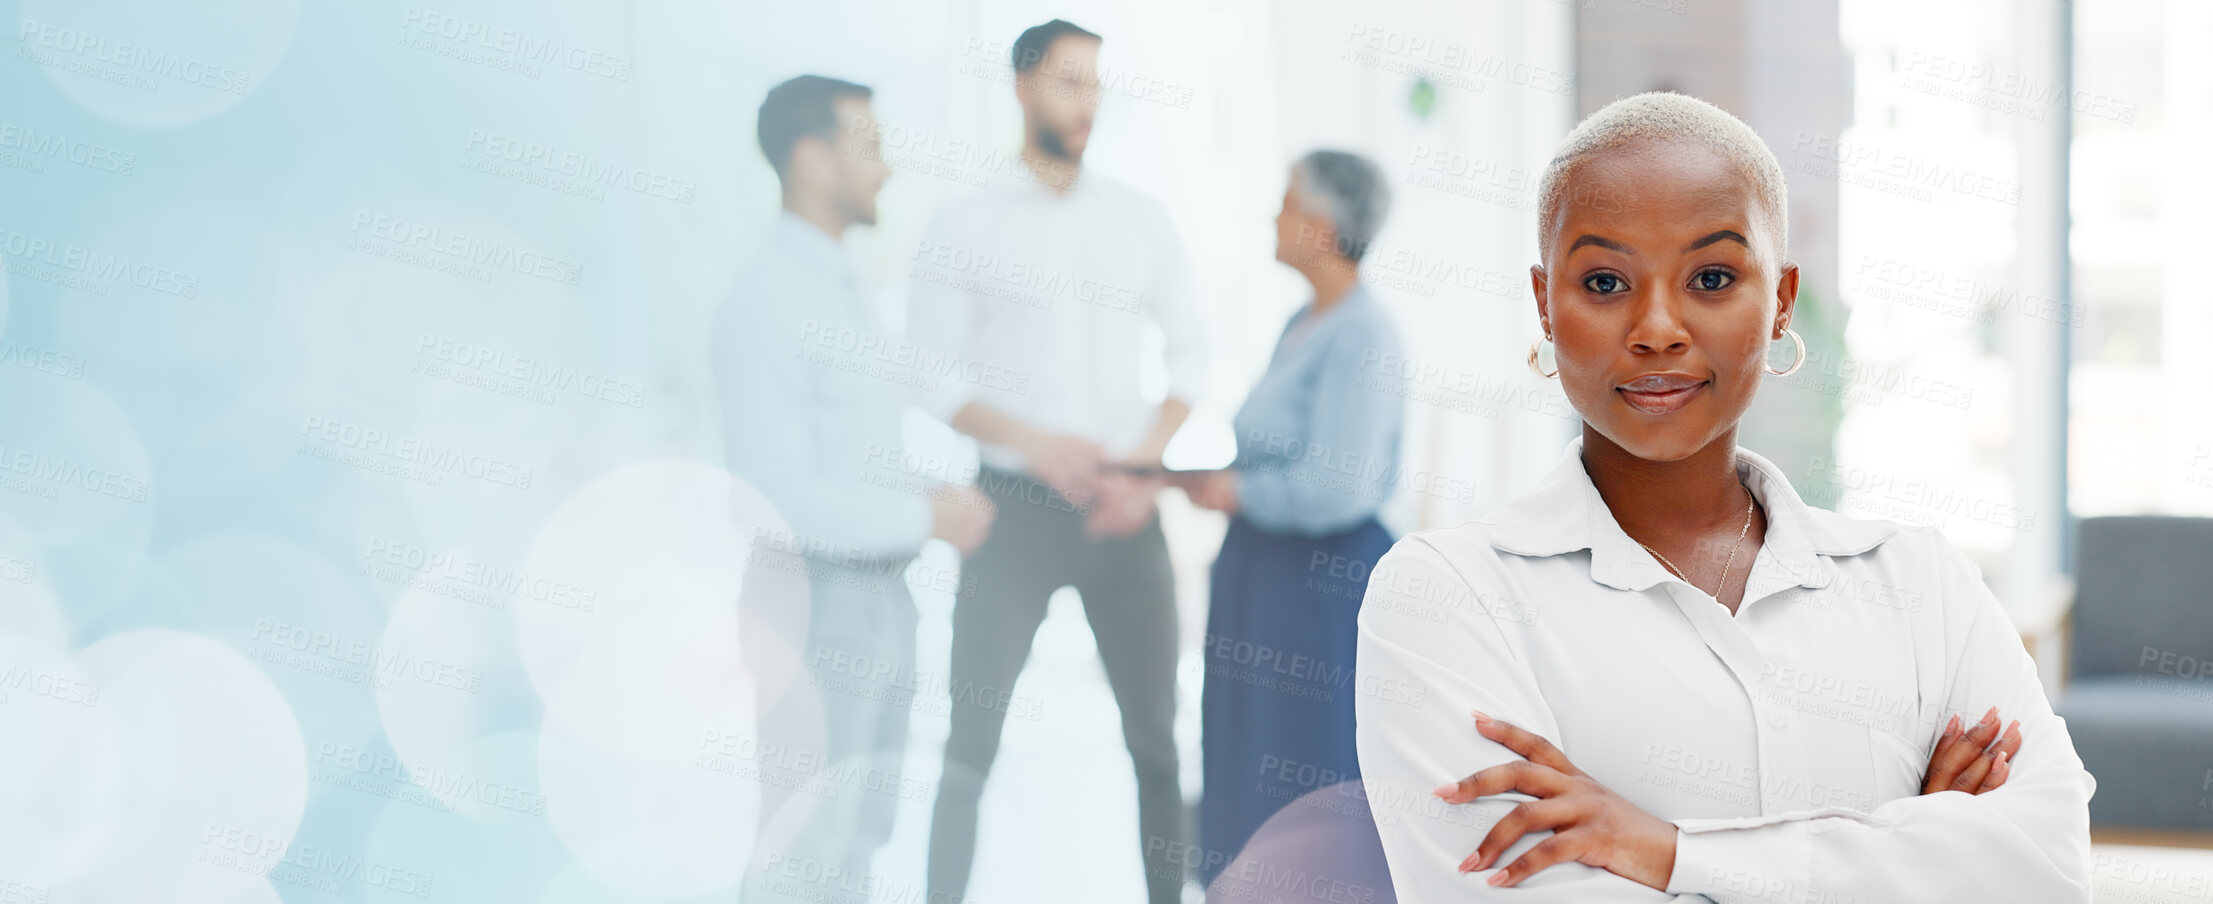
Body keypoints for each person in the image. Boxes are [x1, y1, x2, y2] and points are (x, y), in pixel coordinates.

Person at [1353, 92, 2094, 901]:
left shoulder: (1918, 583)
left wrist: (1670, 854)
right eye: (1604, 281)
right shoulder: (1446, 596)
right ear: (1543, 303)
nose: (1657, 327)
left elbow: (2048, 868)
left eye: (1710, 277)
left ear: (1778, 300)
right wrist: (1920, 854)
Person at [908, 19, 1206, 904]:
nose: (1085, 103)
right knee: (970, 742)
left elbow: (1190, 358)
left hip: (1123, 508)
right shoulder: (963, 221)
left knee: (1155, 742)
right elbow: (929, 372)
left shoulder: (1138, 219)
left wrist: (1138, 470)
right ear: (1021, 86)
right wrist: (1036, 444)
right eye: (1067, 82)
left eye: (1094, 85)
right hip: (1012, 509)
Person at [715, 74, 994, 904]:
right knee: (807, 851)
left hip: (878, 597)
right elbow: (773, 494)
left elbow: (850, 453)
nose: (888, 169)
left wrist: (926, 493)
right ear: (809, 158)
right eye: (868, 147)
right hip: (813, 598)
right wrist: (924, 513)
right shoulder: (766, 301)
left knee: (859, 839)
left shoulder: (842, 289)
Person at [1180, 150, 1404, 891]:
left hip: (1317, 589)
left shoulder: (1364, 334)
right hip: (1260, 576)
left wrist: (1237, 492)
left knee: (1306, 763)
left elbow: (1339, 486)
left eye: (1283, 204)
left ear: (1320, 225)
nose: (1270, 218)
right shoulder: (1300, 322)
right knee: (1244, 754)